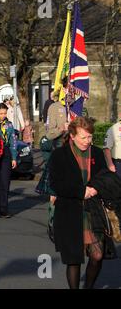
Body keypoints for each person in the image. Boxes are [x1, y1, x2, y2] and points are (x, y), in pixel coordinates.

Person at [49, 117, 117, 289]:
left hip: (94, 210)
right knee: (73, 260)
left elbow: (106, 177)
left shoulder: (97, 153)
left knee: (97, 255)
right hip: (69, 212)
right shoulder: (59, 155)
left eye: (90, 137)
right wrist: (81, 191)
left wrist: (95, 188)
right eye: (83, 137)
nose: (88, 141)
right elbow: (56, 184)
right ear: (72, 136)